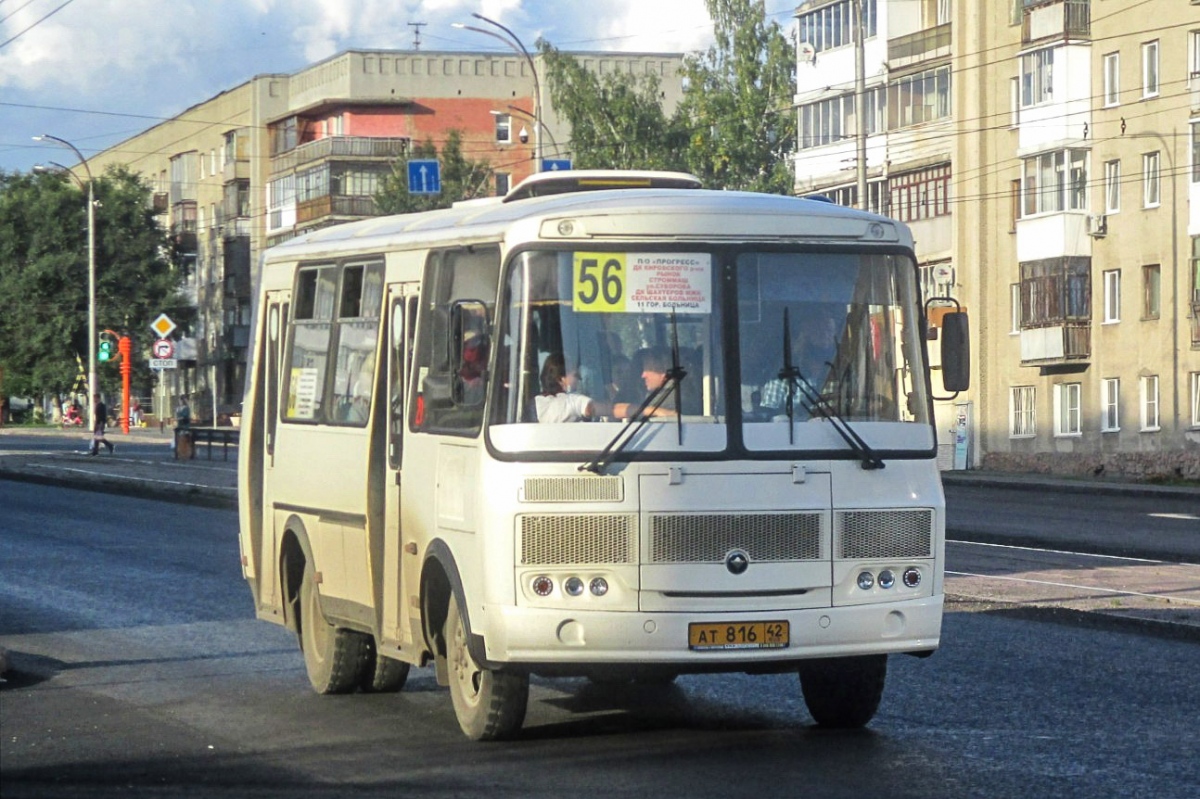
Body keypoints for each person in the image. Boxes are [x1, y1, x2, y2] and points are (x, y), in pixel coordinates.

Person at [535, 352, 596, 422]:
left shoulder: (535, 404)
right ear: (561, 379)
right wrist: (609, 408)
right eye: (575, 375)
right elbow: (589, 408)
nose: (579, 379)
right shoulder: (571, 402)